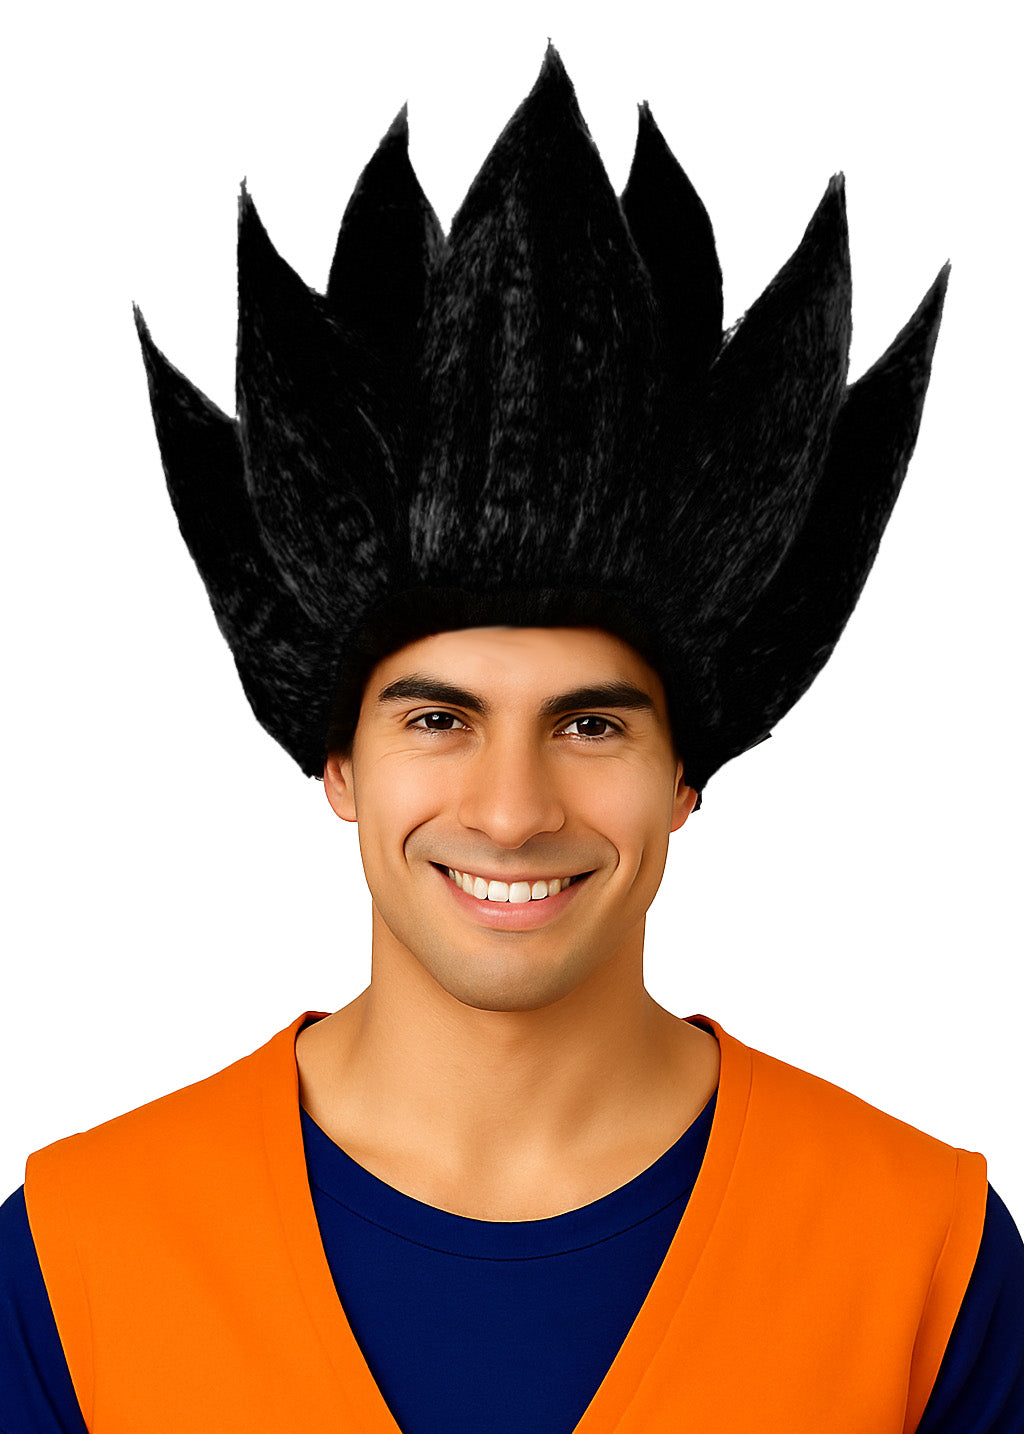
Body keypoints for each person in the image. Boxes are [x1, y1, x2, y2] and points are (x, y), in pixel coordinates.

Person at [2, 41, 1021, 1434]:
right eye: (439, 717)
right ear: (338, 764)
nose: (511, 807)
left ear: (685, 775)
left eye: (590, 722)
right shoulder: (80, 1257)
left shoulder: (921, 1256)